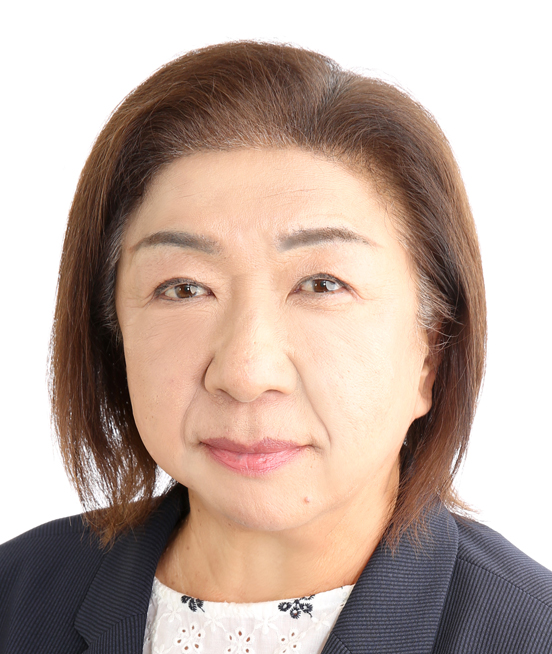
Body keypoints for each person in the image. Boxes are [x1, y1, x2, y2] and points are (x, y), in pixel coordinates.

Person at [0, 40, 551, 654]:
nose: (245, 371)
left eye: (322, 284)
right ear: (113, 332)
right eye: (184, 288)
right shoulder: (15, 598)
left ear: (432, 354)